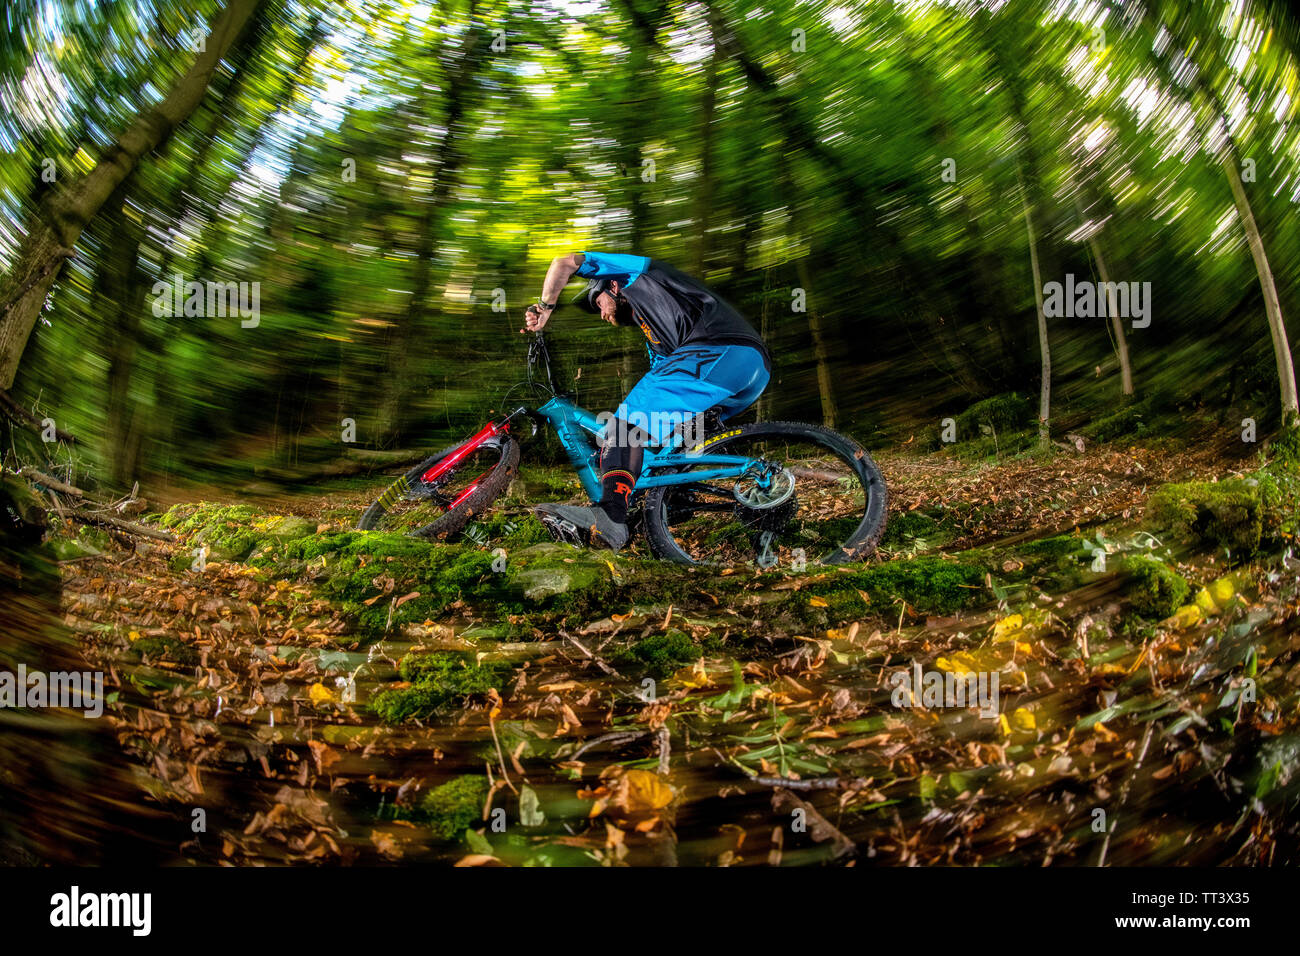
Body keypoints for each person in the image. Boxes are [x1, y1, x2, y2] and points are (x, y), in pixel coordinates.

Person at [522, 251, 771, 550]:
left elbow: (563, 263)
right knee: (673, 443)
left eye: (598, 303)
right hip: (747, 372)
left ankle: (610, 516)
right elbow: (660, 379)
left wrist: (546, 308)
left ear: (611, 287)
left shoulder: (635, 275)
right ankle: (678, 501)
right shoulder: (653, 331)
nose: (601, 314)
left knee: (624, 426)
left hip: (718, 349)